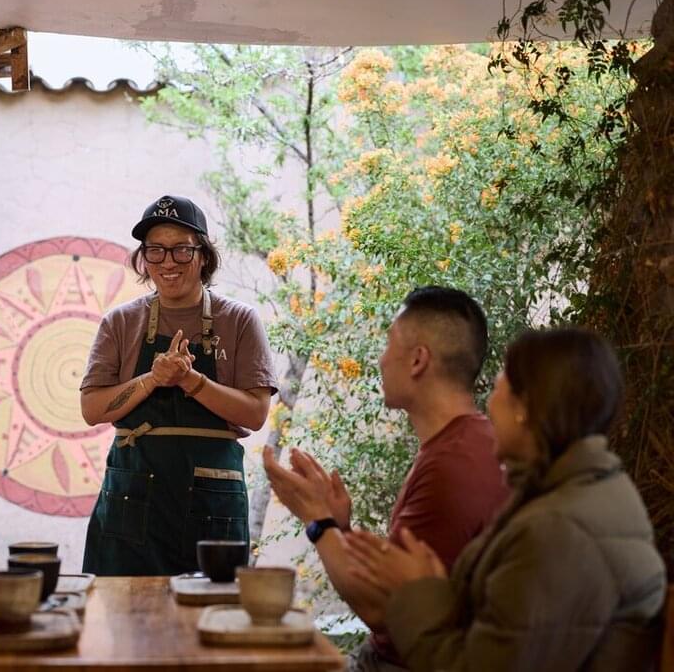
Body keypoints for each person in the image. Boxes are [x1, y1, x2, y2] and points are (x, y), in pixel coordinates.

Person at [343, 327, 666, 671]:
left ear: (523, 408)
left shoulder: (557, 531)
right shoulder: (583, 492)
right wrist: (435, 592)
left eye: (499, 385)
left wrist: (415, 593)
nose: (488, 403)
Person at [263, 286, 510, 671]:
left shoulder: (451, 468)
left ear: (418, 360)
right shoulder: (465, 443)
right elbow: (391, 581)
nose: (380, 359)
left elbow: (382, 609)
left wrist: (317, 520)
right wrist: (340, 529)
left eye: (389, 343)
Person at [80, 195, 278, 576]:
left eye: (181, 250)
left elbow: (255, 414)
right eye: (155, 251)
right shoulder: (120, 323)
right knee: (121, 607)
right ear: (144, 258)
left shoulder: (239, 320)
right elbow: (91, 410)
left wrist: (191, 380)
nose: (168, 262)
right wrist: (153, 379)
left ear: (203, 256)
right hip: (131, 499)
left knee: (210, 610)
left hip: (213, 503)